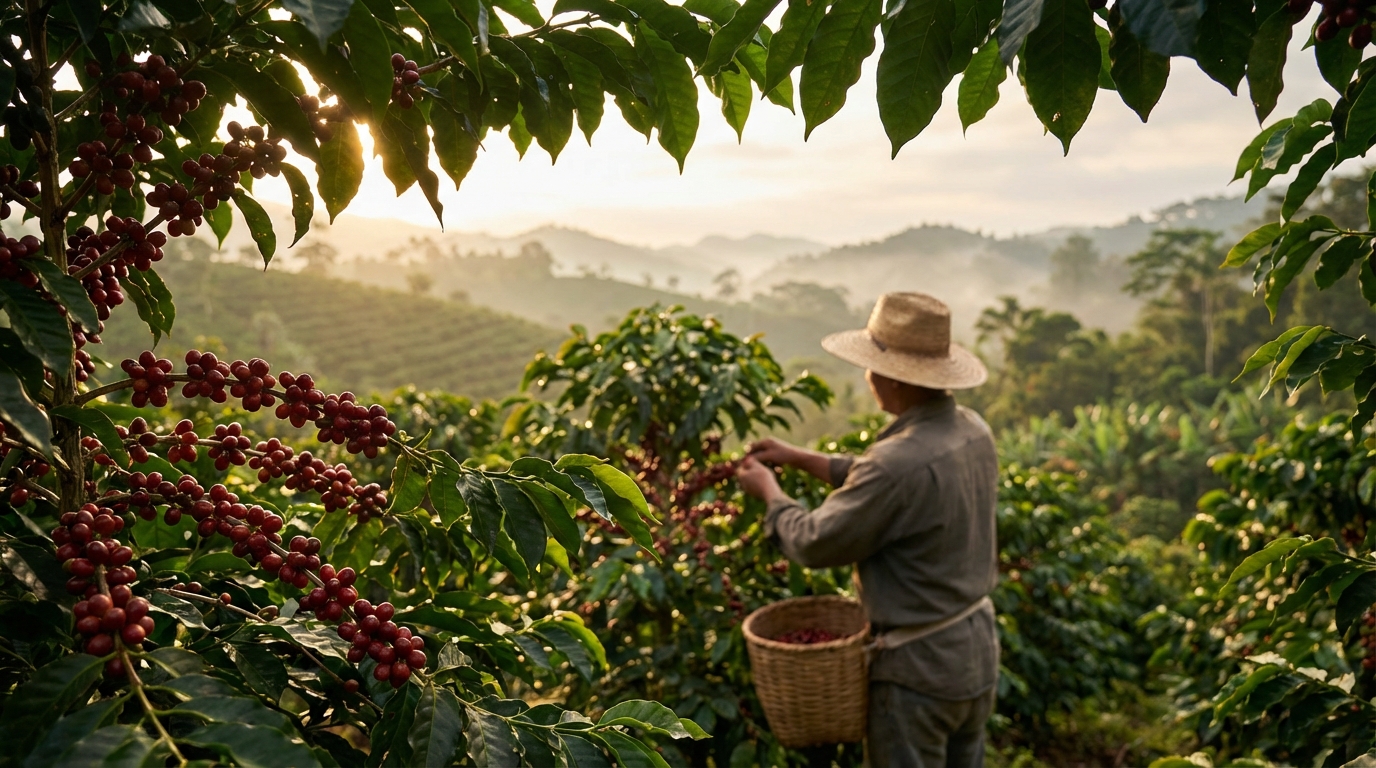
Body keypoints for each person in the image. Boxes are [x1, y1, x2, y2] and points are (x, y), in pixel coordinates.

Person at [736, 292, 999, 768]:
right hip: (975, 651)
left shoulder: (897, 463)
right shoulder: (971, 429)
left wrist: (772, 496)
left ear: (890, 379)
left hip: (917, 670)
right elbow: (898, 486)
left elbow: (816, 541)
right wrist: (802, 457)